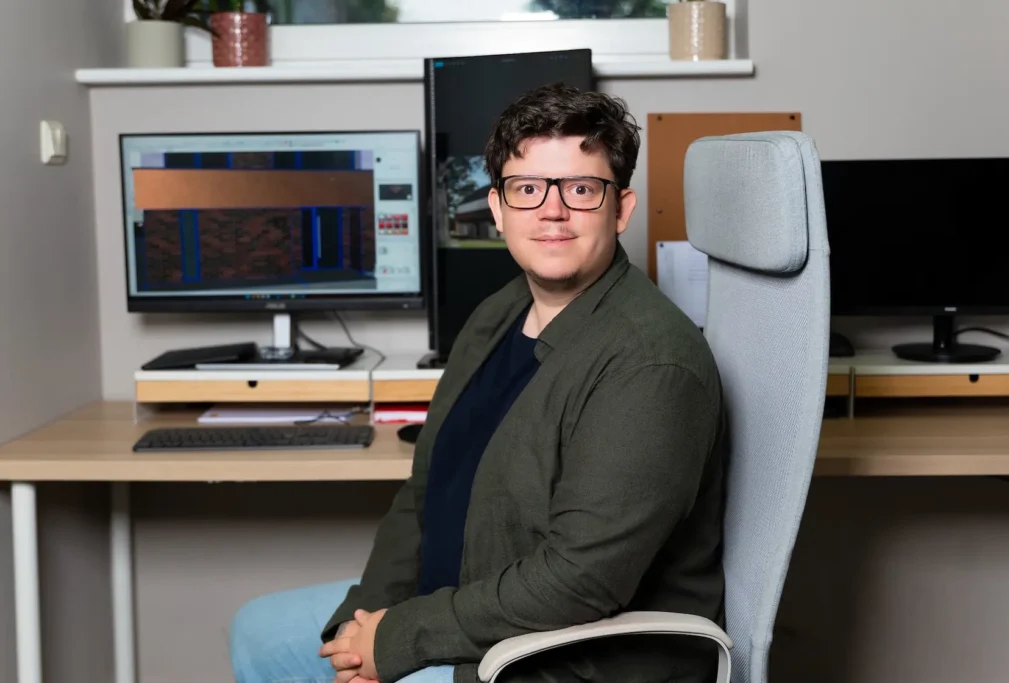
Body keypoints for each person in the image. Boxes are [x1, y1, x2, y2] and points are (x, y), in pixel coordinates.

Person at [230, 83, 727, 683]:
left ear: (620, 209)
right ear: (497, 208)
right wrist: (360, 623)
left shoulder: (652, 365)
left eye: (580, 189)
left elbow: (580, 581)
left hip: (555, 657)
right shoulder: (498, 313)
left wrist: (397, 640)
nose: (552, 211)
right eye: (527, 188)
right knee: (257, 632)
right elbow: (423, 493)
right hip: (458, 600)